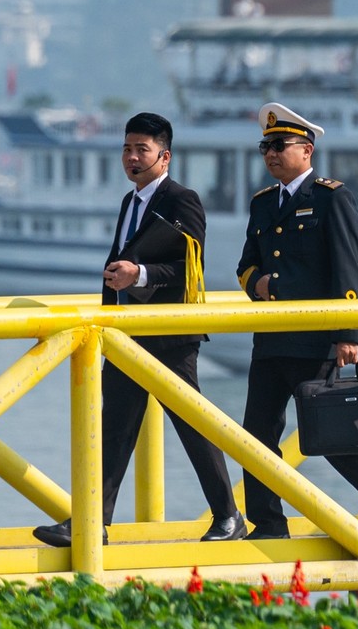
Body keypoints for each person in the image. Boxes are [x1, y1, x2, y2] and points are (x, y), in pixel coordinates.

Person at [33, 113, 245, 547]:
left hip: (169, 337)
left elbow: (191, 268)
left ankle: (228, 517)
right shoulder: (129, 203)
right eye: (127, 149)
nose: (131, 157)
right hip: (125, 334)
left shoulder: (182, 199)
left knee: (191, 425)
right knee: (114, 429)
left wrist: (141, 273)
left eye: (141, 150)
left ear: (164, 156)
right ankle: (92, 523)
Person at [236, 103, 358, 540]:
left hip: (315, 341)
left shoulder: (332, 198)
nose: (270, 154)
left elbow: (348, 270)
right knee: (256, 436)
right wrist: (260, 286)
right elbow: (246, 265)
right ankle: (269, 523)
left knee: (330, 437)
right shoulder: (261, 204)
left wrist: (348, 335)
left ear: (306, 150)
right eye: (264, 147)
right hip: (271, 341)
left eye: (279, 145)